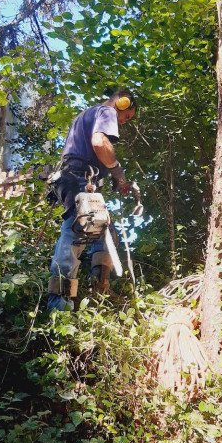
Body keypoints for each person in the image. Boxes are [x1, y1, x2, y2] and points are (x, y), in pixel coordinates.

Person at [46, 89, 137, 311]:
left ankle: (100, 291)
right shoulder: (106, 111)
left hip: (74, 177)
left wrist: (111, 176)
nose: (123, 122)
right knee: (74, 234)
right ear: (122, 103)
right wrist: (117, 172)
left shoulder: (87, 114)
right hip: (79, 177)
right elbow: (99, 142)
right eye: (126, 117)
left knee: (106, 234)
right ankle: (59, 305)